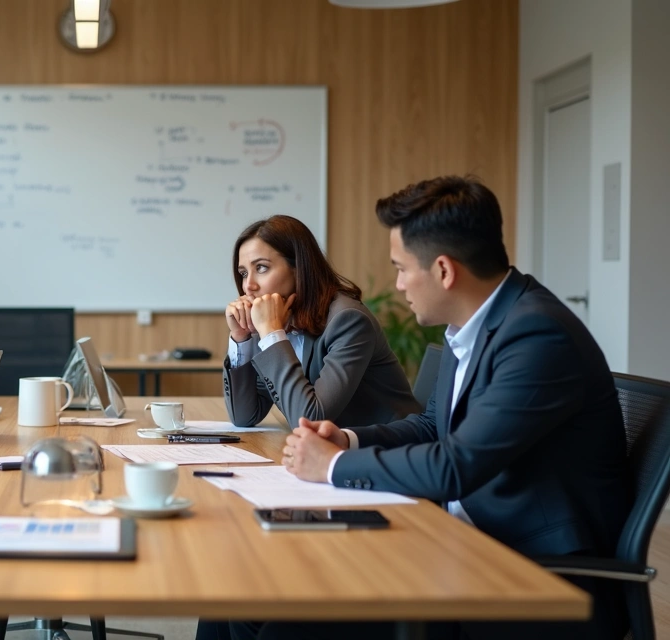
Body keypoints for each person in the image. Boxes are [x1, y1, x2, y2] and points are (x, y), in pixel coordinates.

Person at [210, 177, 633, 640]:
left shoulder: (536, 336)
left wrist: (336, 464)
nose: (396, 283)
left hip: (521, 567)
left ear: (444, 271)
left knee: (279, 627)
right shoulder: (472, 326)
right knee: (236, 597)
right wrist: (347, 438)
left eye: (401, 268)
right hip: (453, 536)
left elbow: (457, 465)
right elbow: (434, 426)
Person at [223, 215, 421, 428]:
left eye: (261, 268)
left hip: (386, 451)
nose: (248, 285)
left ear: (299, 267)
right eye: (243, 273)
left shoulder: (348, 321)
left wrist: (272, 335)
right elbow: (245, 416)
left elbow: (311, 419)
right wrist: (241, 337)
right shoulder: (280, 320)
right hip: (331, 449)